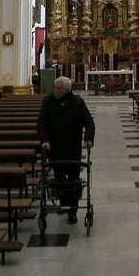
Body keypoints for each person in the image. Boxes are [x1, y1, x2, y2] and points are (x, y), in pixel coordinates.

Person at [36, 76, 96, 224]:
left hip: (73, 148)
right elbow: (42, 123)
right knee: (59, 178)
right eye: (54, 88)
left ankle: (73, 210)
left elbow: (89, 122)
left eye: (58, 88)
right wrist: (45, 140)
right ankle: (64, 204)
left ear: (67, 90)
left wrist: (88, 138)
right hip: (55, 148)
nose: (55, 91)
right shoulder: (48, 102)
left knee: (74, 179)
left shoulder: (78, 102)